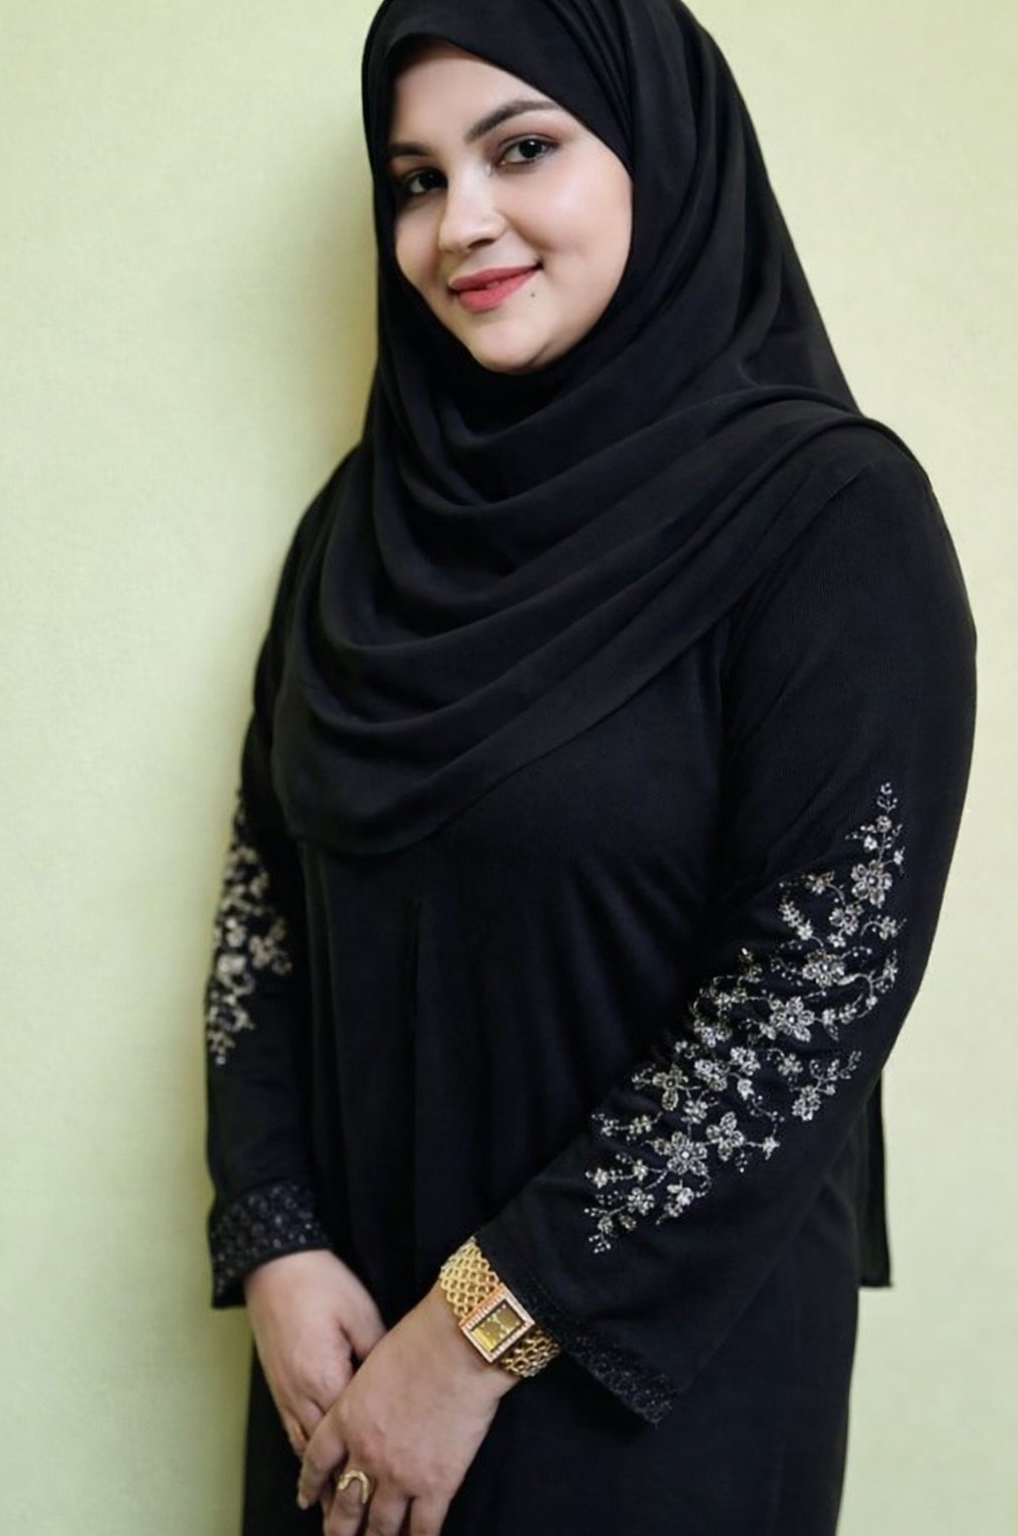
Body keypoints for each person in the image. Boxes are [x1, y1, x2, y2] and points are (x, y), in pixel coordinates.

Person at [201, 2, 976, 1532]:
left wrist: (473, 1335)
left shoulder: (828, 521)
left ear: (658, 153)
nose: (459, 224)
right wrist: (275, 1239)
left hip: (645, 1382)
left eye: (522, 150)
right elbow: (264, 905)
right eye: (415, 179)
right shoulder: (359, 534)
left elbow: (805, 1006)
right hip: (343, 1358)